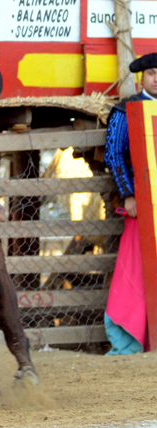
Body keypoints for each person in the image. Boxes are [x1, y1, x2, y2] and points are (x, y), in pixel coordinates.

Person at [103, 53, 157, 355]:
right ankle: (129, 339)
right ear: (142, 78)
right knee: (137, 267)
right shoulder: (126, 110)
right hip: (144, 202)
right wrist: (129, 194)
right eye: (152, 73)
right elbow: (114, 154)